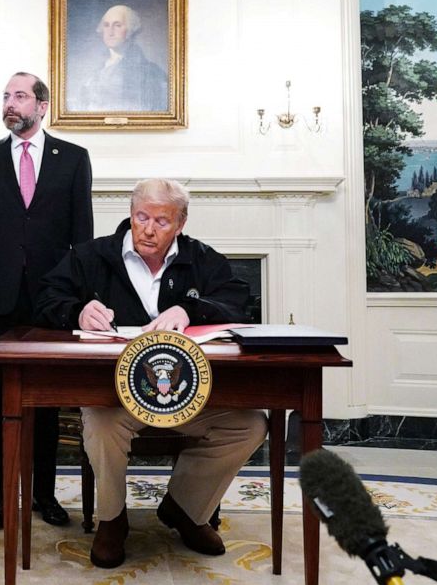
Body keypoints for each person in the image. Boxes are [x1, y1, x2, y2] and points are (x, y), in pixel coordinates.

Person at [34, 178, 267, 569]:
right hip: (115, 396)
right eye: (142, 216)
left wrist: (191, 311)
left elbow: (239, 300)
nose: (148, 228)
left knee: (250, 425)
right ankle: (112, 520)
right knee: (102, 424)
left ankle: (185, 509)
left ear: (181, 223)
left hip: (189, 395)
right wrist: (77, 311)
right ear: (130, 213)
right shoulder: (91, 256)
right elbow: (46, 297)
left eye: (162, 220)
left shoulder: (201, 258)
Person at [0, 71, 93, 530]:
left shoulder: (74, 159)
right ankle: (1, 496)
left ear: (41, 105)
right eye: (5, 96)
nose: (10, 103)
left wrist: (80, 298)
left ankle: (44, 495)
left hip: (51, 300)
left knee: (47, 404)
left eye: (19, 96)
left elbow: (82, 237)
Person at [77, 4, 169, 112]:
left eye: (117, 25)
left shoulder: (151, 72)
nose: (110, 32)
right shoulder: (96, 70)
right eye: (106, 25)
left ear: (130, 30)